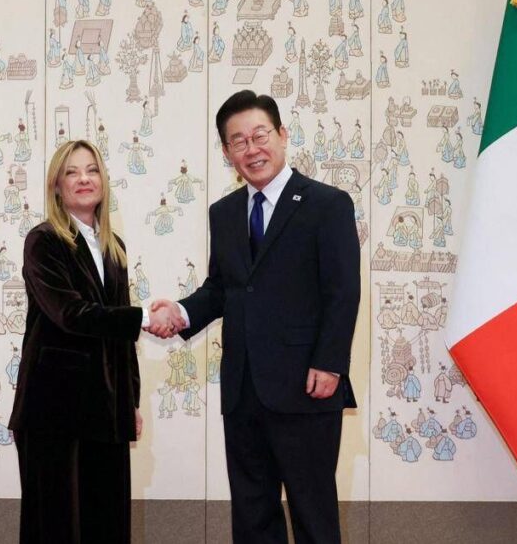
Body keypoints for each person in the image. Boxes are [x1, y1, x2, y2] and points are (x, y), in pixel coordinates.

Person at [150, 90, 360, 544]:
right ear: (227, 152)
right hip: (243, 390)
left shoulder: (328, 204)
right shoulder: (224, 213)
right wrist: (180, 312)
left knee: (314, 517)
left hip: (307, 387)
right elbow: (221, 288)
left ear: (282, 135)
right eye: (238, 141)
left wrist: (330, 363)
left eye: (260, 135)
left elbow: (343, 291)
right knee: (252, 518)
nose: (252, 149)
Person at [8, 140, 179, 544]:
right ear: (56, 186)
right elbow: (71, 314)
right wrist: (143, 318)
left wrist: (129, 400)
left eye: (91, 170)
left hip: (105, 410)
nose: (83, 179)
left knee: (108, 524)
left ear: (103, 181)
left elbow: (120, 342)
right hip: (53, 411)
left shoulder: (114, 248)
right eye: (71, 172)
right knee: (56, 529)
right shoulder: (44, 241)